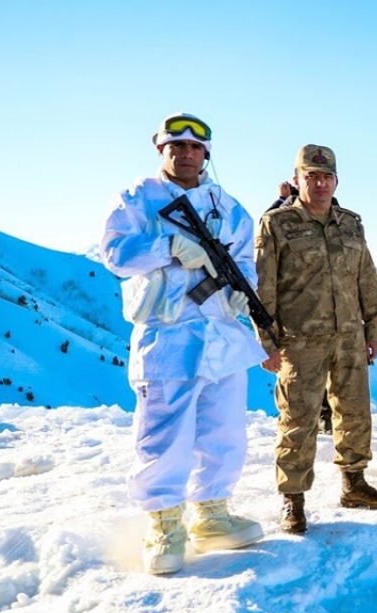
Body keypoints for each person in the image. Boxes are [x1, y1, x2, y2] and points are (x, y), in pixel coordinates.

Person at [100, 112, 265, 574]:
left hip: (222, 333)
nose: (187, 154)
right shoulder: (138, 199)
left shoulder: (228, 206)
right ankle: (165, 524)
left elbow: (246, 259)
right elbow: (116, 254)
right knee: (165, 434)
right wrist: (169, 247)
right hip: (168, 332)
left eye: (195, 147)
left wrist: (239, 290)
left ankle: (212, 514)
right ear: (162, 151)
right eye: (177, 146)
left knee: (224, 429)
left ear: (206, 153)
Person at [255, 144, 377, 534]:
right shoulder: (278, 225)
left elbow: (367, 277)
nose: (319, 183)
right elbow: (263, 286)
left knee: (355, 413)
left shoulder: (350, 223)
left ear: (336, 181)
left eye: (326, 177)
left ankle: (354, 483)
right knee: (298, 420)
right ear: (297, 180)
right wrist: (265, 341)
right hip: (300, 340)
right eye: (311, 177)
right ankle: (293, 500)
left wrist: (373, 328)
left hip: (349, 335)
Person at [267, 181, 334, 434]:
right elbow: (269, 228)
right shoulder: (283, 216)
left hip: (325, 312)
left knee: (325, 375)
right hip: (295, 319)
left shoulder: (332, 212)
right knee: (293, 380)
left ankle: (325, 416)